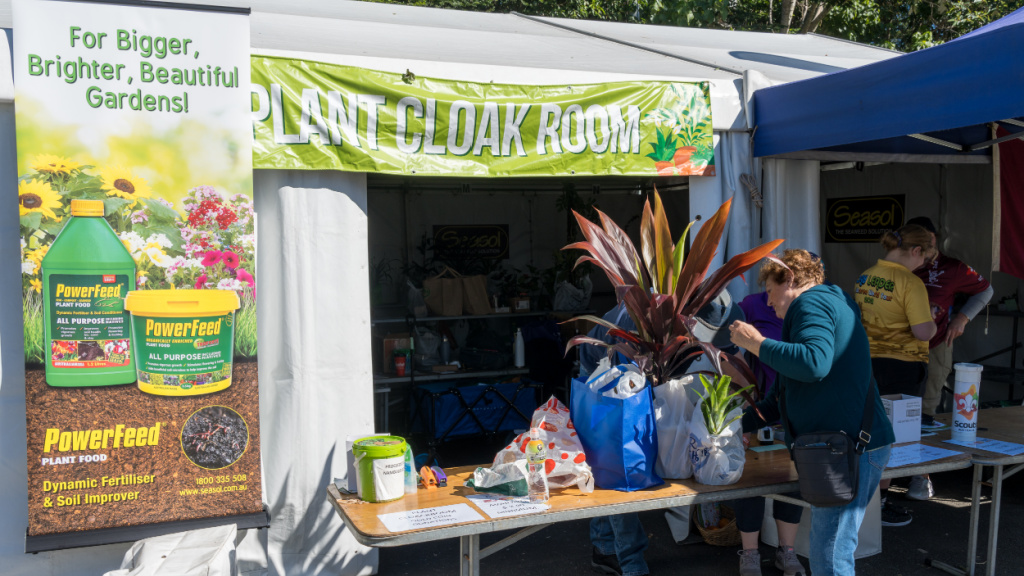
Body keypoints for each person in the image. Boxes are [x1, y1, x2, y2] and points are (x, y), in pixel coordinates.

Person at [729, 249, 895, 576]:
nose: (769, 302)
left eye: (771, 290)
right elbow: (781, 399)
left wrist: (757, 344)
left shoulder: (812, 303)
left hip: (849, 449)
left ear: (789, 278)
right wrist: (733, 425)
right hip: (848, 446)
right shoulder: (826, 304)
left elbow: (812, 363)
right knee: (828, 550)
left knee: (830, 554)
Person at [580, 291, 743, 576]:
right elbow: (625, 392)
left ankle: (604, 547)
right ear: (686, 321)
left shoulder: (712, 317)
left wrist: (740, 409)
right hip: (606, 368)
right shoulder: (637, 325)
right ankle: (630, 560)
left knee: (613, 463)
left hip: (647, 370)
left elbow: (729, 364)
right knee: (619, 464)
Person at [904, 216, 993, 502]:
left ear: (935, 238)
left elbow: (986, 289)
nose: (926, 245)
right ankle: (888, 476)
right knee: (898, 406)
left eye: (929, 238)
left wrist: (962, 319)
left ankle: (922, 474)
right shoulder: (900, 263)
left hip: (936, 343)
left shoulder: (952, 267)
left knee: (927, 411)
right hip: (897, 347)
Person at [853, 224, 937, 526]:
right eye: (925, 258)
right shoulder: (911, 283)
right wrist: (935, 322)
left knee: (869, 430)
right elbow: (922, 330)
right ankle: (881, 503)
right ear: (915, 251)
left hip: (869, 363)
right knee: (892, 438)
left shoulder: (866, 275)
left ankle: (865, 499)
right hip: (903, 367)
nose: (924, 264)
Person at [733, 290, 806, 576]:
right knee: (751, 478)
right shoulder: (752, 302)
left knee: (792, 478)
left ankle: (786, 551)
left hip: (793, 412)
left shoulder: (808, 310)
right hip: (759, 402)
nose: (773, 304)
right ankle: (749, 553)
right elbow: (727, 341)